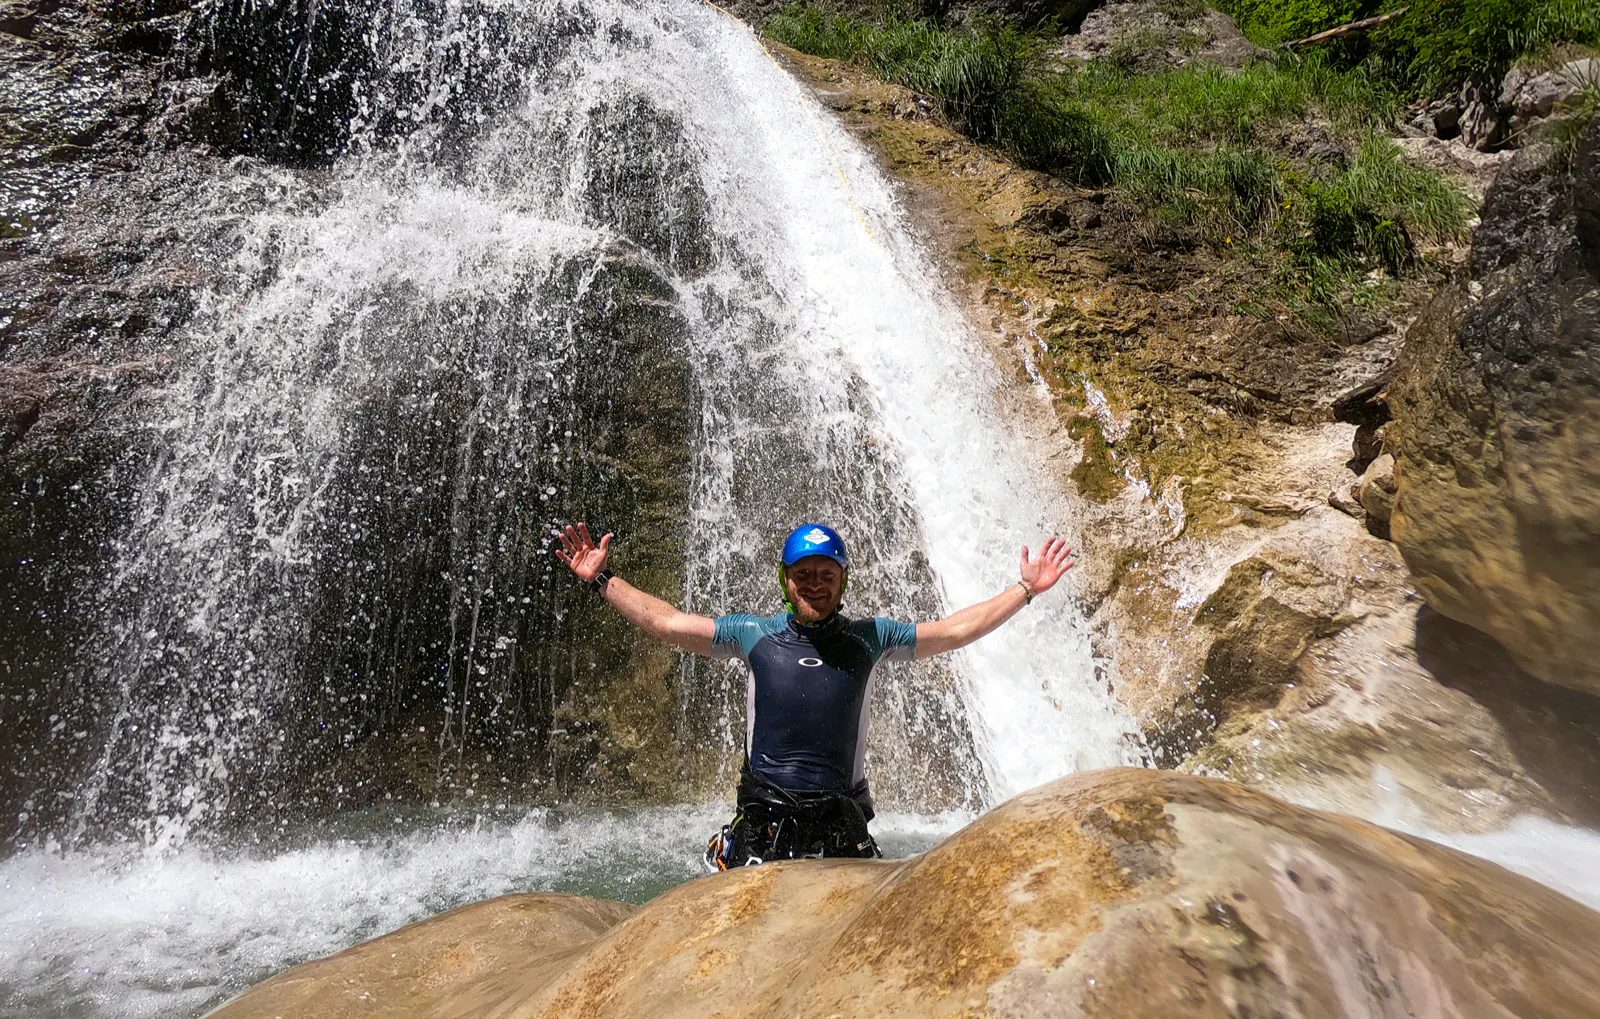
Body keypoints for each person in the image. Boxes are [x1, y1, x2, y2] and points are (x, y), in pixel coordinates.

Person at [554, 520, 1075, 869]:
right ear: (786, 580)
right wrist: (603, 581)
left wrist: (1025, 590)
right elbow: (667, 622)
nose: (815, 584)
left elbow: (954, 630)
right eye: (803, 574)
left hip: (839, 833)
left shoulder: (871, 639)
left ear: (842, 579)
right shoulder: (752, 634)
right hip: (762, 830)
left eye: (826, 574)